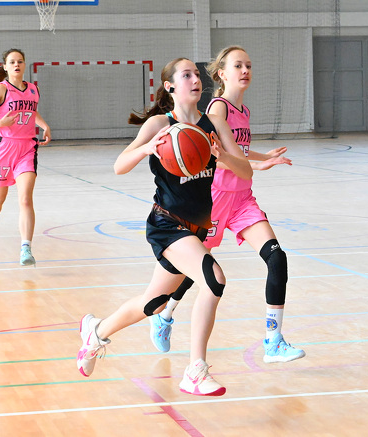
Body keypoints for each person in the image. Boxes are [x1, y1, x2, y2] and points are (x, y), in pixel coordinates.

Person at [76, 58, 251, 396]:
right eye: (186, 75)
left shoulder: (215, 123)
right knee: (214, 280)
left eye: (197, 74)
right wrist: (145, 148)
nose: (195, 79)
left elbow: (246, 172)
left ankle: (96, 333)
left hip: (197, 228)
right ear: (170, 86)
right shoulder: (159, 123)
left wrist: (223, 157)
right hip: (167, 225)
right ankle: (195, 371)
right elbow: (119, 166)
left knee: (154, 303)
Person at [148, 46, 306, 364]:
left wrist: (261, 158)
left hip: (243, 199)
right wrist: (251, 163)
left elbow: (237, 150)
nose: (245, 70)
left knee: (277, 258)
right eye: (238, 66)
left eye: (248, 65)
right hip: (215, 199)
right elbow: (209, 154)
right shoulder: (217, 109)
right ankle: (164, 315)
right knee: (195, 270)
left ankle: (273, 341)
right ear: (222, 73)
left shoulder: (242, 111)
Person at [0, 48, 51, 266]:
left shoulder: (34, 90)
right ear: (5, 67)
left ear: (24, 65)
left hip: (27, 148)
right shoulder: (1, 89)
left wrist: (44, 125)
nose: (16, 64)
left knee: (25, 199)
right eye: (12, 62)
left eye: (20, 61)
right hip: (4, 149)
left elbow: (31, 111)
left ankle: (26, 249)